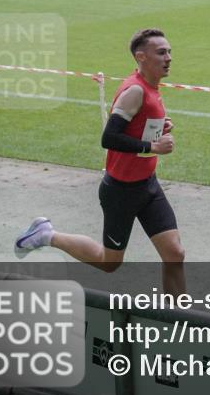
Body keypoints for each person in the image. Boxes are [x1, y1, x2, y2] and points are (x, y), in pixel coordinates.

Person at [14, 28, 186, 295]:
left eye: (169, 52)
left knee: (174, 254)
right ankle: (46, 234)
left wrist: (157, 127)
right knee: (109, 262)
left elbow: (133, 127)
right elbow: (110, 138)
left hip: (148, 186)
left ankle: (178, 321)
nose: (169, 58)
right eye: (161, 52)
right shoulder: (135, 91)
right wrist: (153, 145)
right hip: (121, 191)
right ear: (141, 57)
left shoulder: (152, 88)